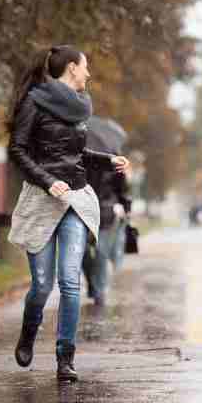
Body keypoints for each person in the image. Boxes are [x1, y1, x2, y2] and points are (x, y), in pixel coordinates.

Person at [6, 45, 130, 382]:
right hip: (42, 199)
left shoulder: (81, 107)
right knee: (43, 285)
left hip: (75, 199)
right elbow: (16, 150)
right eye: (85, 67)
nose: (88, 74)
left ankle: (65, 358)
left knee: (70, 282)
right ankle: (29, 333)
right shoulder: (34, 101)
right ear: (72, 68)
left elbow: (74, 154)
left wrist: (107, 160)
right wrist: (47, 182)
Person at [82, 118, 132, 306]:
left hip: (106, 212)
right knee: (84, 252)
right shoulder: (79, 158)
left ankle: (99, 290)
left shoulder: (115, 160)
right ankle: (93, 284)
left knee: (102, 252)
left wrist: (126, 208)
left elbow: (122, 188)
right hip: (83, 211)